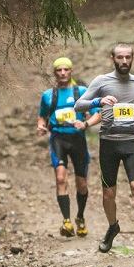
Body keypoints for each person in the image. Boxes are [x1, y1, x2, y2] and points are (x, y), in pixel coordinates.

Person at [74, 43, 134, 255]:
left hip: (132, 141)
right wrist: (98, 101)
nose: (124, 61)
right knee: (108, 194)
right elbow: (78, 105)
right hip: (109, 144)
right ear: (112, 58)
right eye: (120, 57)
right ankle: (113, 227)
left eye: (128, 57)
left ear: (132, 58)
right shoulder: (102, 81)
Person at [37, 57, 101, 238]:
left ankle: (80, 217)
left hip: (77, 139)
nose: (63, 73)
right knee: (60, 178)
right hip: (58, 138)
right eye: (59, 70)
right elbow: (42, 116)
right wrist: (41, 126)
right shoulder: (48, 95)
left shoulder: (81, 91)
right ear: (55, 73)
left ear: (71, 71)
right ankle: (66, 222)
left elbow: (97, 114)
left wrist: (86, 124)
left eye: (66, 69)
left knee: (82, 183)